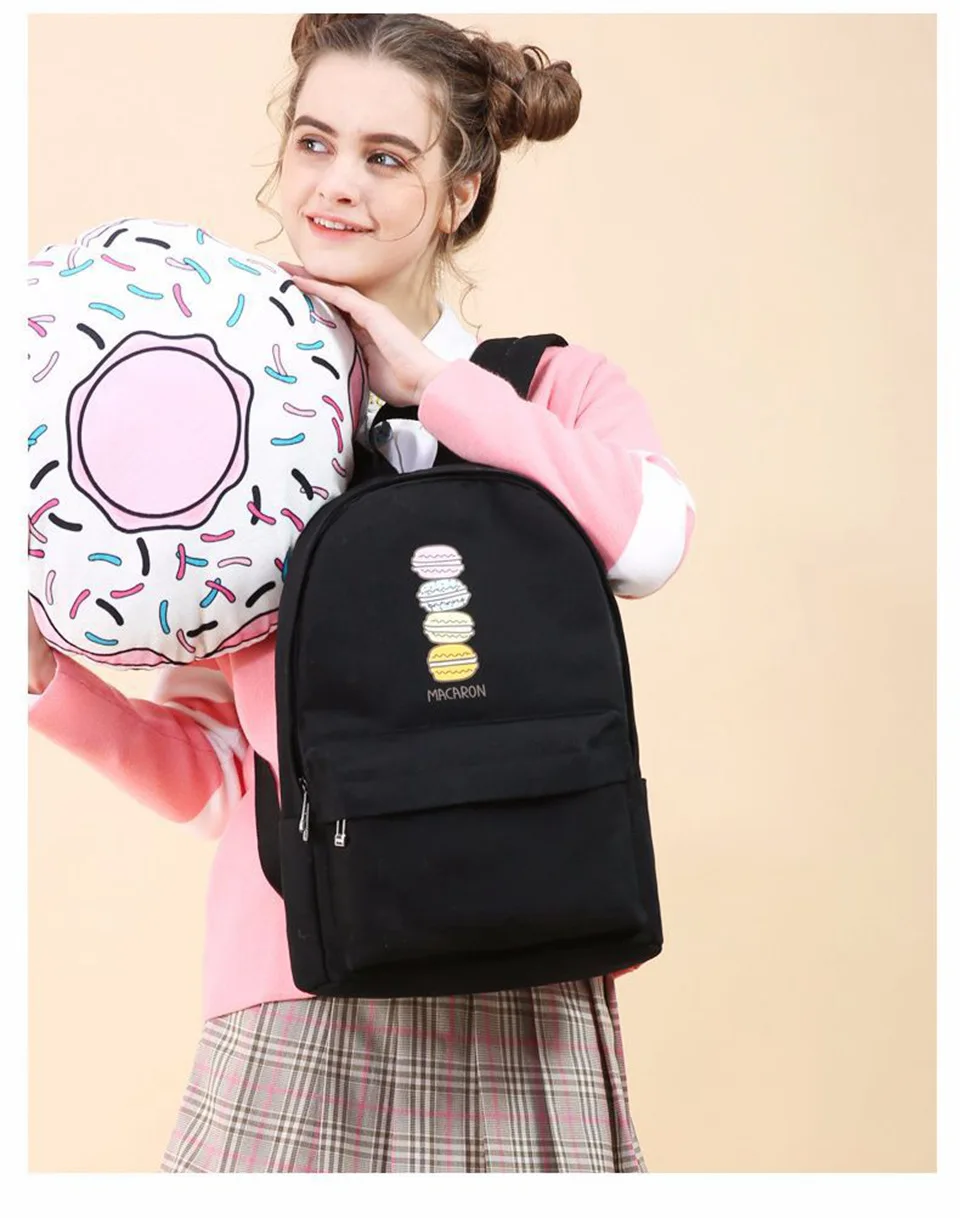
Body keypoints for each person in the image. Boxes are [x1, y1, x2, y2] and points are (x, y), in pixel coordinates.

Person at [27, 12, 696, 1173]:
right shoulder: (221, 435)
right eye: (314, 142)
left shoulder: (547, 389)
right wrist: (49, 682)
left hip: (529, 977)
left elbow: (649, 543)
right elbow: (222, 786)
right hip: (299, 987)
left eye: (387, 157)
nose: (337, 184)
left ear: (459, 193)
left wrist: (437, 388)